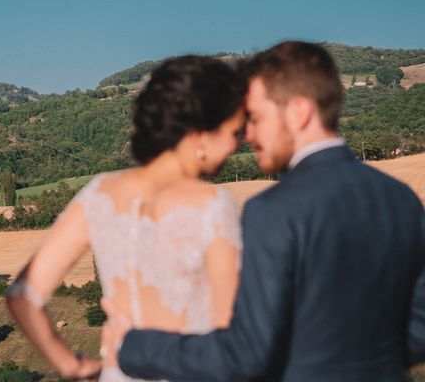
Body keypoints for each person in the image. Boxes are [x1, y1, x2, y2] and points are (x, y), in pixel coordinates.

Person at [102, 41, 425, 382]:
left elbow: (246, 356)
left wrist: (133, 346)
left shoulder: (273, 211)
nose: (248, 135)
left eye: (255, 118)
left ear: (299, 112)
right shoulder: (401, 199)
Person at [6, 55, 247, 381]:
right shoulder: (212, 204)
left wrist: (71, 365)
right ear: (200, 134)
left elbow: (23, 295)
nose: (238, 143)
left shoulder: (100, 192)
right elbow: (230, 333)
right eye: (234, 131)